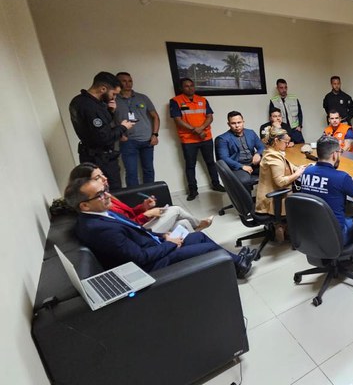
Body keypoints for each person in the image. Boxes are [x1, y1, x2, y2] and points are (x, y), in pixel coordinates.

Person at [65, 177, 254, 278]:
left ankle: (238, 263)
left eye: (105, 191)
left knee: (199, 237)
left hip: (156, 245)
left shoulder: (101, 213)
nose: (107, 196)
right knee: (208, 248)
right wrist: (170, 244)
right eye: (100, 194)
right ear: (84, 205)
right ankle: (239, 264)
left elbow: (136, 229)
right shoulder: (99, 229)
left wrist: (164, 236)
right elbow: (139, 258)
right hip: (154, 264)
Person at [69, 163, 213, 233]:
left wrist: (144, 206)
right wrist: (147, 214)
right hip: (140, 232)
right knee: (175, 210)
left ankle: (198, 242)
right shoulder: (98, 204)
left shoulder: (106, 195)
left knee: (184, 224)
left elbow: (129, 214)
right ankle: (198, 225)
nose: (104, 178)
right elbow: (126, 226)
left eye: (102, 174)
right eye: (97, 177)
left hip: (139, 226)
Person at [69, 71, 135, 189]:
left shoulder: (80, 101)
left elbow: (100, 126)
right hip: (100, 159)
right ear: (103, 89)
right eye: (113, 94)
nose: (114, 98)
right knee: (111, 190)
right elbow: (104, 137)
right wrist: (123, 127)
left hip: (92, 156)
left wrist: (110, 112)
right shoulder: (89, 106)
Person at [300, 135, 353, 245]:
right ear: (334, 154)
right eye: (340, 152)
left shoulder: (306, 172)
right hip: (336, 235)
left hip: (312, 229)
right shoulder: (342, 177)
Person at [169, 77, 226, 201]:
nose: (190, 88)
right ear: (181, 88)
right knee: (190, 165)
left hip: (206, 137)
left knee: (210, 162)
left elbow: (210, 117)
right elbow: (178, 120)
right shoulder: (175, 101)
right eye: (186, 86)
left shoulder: (202, 100)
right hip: (188, 140)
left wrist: (201, 128)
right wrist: (196, 130)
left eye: (192, 85)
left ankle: (216, 184)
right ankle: (193, 190)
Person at [256, 126, 307, 241]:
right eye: (285, 142)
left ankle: (282, 225)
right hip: (274, 199)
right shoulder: (273, 157)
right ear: (276, 141)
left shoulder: (273, 152)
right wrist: (297, 174)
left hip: (271, 193)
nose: (287, 145)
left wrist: (301, 168)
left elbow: (288, 165)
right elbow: (280, 182)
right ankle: (283, 225)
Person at [114, 72, 160, 187]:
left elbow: (155, 116)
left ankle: (150, 195)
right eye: (124, 81)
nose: (128, 83)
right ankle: (134, 197)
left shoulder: (142, 98)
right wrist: (120, 135)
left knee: (149, 170)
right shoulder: (113, 99)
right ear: (117, 82)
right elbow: (109, 120)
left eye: (130, 81)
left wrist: (155, 135)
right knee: (131, 173)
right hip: (128, 141)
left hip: (147, 140)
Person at [216, 111, 265, 192]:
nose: (237, 125)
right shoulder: (222, 139)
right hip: (238, 166)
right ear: (228, 124)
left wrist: (258, 154)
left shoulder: (250, 133)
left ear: (243, 122)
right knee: (244, 181)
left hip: (254, 163)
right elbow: (224, 158)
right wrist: (241, 166)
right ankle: (247, 200)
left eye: (239, 122)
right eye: (233, 123)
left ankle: (267, 197)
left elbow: (261, 147)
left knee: (272, 171)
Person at [268, 78, 304, 143]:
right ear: (277, 88)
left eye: (285, 87)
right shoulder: (273, 101)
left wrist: (300, 126)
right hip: (282, 131)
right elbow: (271, 117)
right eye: (281, 88)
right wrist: (276, 130)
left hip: (295, 130)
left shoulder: (294, 98)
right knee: (285, 148)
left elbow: (300, 113)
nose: (284, 90)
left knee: (301, 147)